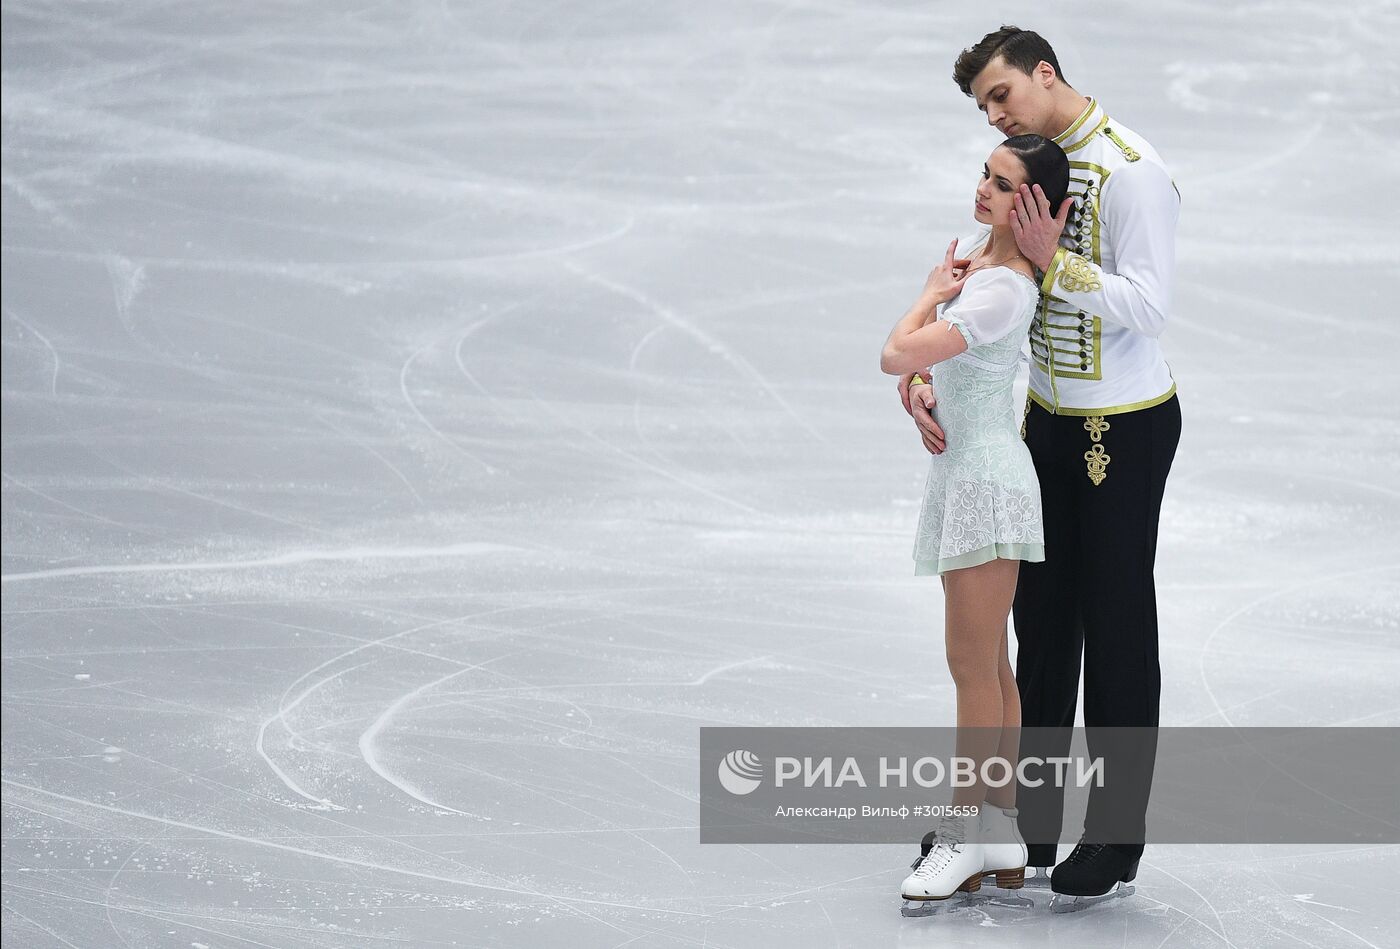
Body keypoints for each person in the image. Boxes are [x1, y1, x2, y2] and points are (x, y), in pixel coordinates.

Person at [897, 26, 1182, 904]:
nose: (994, 113)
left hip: (1121, 431)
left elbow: (1149, 306)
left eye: (1001, 94)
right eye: (985, 106)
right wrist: (922, 378)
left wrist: (1057, 259)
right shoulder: (1025, 164)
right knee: (1043, 628)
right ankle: (1023, 822)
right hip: (1042, 424)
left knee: (1118, 629)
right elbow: (979, 305)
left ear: (1044, 74)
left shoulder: (1130, 170)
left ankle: (1115, 835)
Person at [880, 135, 1070, 904]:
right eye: (985, 175)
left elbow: (893, 350)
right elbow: (917, 367)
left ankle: (963, 833)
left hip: (988, 480)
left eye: (1003, 184)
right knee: (990, 664)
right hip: (963, 474)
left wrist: (926, 299)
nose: (984, 190)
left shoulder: (1002, 288)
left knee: (972, 666)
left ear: (1030, 202)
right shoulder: (970, 253)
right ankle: (999, 830)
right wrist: (923, 385)